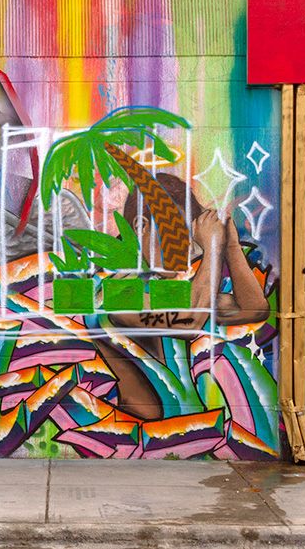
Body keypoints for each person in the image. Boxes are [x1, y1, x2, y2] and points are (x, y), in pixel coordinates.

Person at [95, 174, 271, 420]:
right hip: (137, 432)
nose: (186, 246)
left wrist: (230, 245)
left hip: (188, 430)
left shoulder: (160, 289)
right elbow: (190, 321)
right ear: (140, 227)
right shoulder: (113, 291)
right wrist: (212, 248)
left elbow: (253, 309)